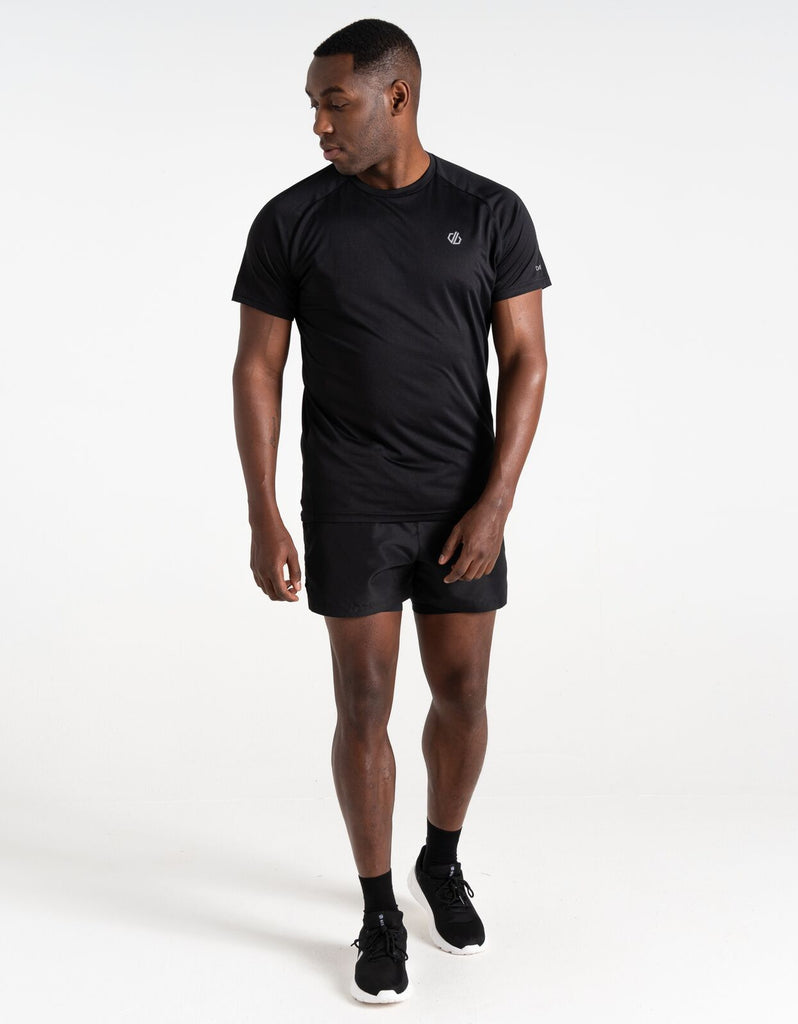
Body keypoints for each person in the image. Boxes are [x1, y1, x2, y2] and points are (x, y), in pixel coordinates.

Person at [231, 17, 550, 1003]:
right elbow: (257, 368)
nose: (319, 125)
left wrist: (495, 503)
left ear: (397, 97)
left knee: (463, 695)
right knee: (363, 701)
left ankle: (438, 860)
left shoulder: (488, 213)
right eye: (313, 106)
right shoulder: (292, 220)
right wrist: (263, 512)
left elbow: (527, 360)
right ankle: (377, 909)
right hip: (351, 501)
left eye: (336, 103)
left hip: (461, 502)